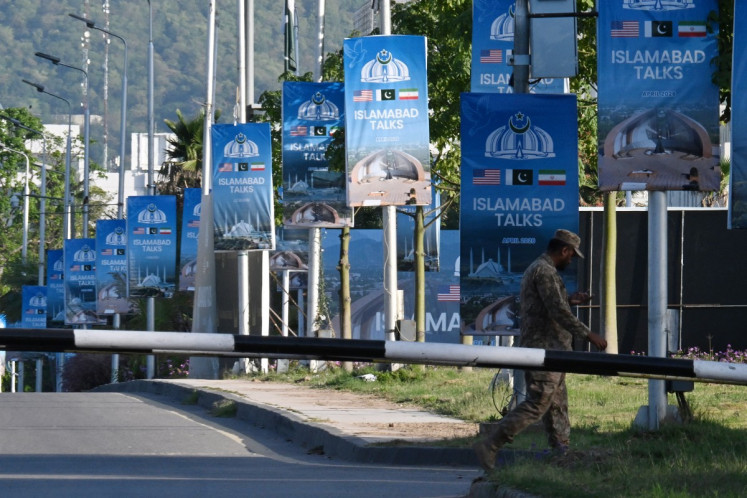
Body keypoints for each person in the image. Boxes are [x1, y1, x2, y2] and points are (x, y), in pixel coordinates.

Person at [473, 229, 608, 472]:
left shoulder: (541, 269)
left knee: (556, 405)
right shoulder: (544, 271)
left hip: (553, 351)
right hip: (543, 350)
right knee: (538, 403)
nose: (571, 261)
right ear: (564, 250)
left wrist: (571, 300)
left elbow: (552, 304)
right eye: (571, 256)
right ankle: (491, 444)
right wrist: (589, 334)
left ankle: (561, 454)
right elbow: (557, 311)